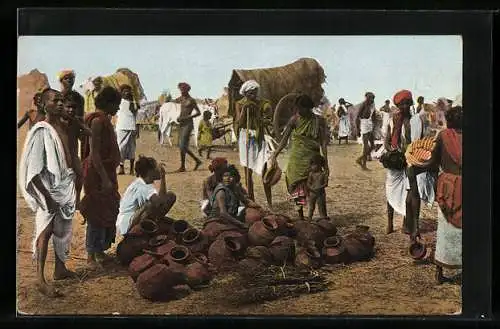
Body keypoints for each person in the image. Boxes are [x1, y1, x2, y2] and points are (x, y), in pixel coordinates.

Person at [18, 88, 78, 297]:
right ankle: (40, 279)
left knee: (64, 228)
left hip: (65, 185)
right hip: (49, 189)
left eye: (62, 100)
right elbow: (33, 172)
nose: (61, 104)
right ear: (44, 105)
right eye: (56, 101)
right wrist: (47, 197)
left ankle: (60, 269)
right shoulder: (41, 130)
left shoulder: (62, 126)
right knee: (45, 229)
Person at [79, 87, 122, 267]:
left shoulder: (105, 120)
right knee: (96, 212)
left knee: (107, 209)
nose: (118, 108)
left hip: (105, 171)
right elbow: (95, 153)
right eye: (116, 104)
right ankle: (91, 255)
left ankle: (99, 251)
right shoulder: (97, 121)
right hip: (97, 173)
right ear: (108, 103)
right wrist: (104, 179)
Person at [269, 94, 330, 220]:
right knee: (297, 188)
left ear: (309, 108)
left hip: (313, 160)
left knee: (317, 187)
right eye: (298, 108)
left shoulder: (319, 121)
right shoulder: (294, 120)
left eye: (302, 108)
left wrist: (326, 163)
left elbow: (323, 143)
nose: (299, 111)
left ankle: (321, 216)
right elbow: (284, 140)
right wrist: (275, 154)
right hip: (296, 160)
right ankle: (301, 216)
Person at [425, 106, 462, 284]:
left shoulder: (443, 136)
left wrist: (418, 166)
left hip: (448, 188)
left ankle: (439, 272)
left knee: (445, 231)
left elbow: (432, 163)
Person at [235, 80, 274, 206]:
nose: (253, 96)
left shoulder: (262, 103)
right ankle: (251, 201)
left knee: (264, 169)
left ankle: (269, 202)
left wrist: (258, 112)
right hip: (245, 137)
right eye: (250, 94)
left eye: (255, 93)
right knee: (248, 171)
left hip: (259, 137)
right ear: (245, 93)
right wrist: (245, 109)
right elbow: (239, 123)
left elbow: (268, 120)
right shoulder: (240, 104)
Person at [116, 156, 176, 235]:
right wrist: (162, 177)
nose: (158, 170)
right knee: (151, 204)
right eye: (156, 168)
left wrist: (163, 177)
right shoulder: (143, 187)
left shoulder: (144, 183)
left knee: (168, 197)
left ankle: (153, 223)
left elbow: (162, 199)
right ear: (150, 172)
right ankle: (139, 232)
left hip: (128, 220)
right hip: (126, 223)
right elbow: (159, 202)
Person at [63, 94, 92, 210]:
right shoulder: (58, 121)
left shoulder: (76, 121)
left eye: (73, 108)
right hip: (60, 156)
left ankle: (77, 201)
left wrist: (81, 124)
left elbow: (88, 134)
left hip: (73, 155)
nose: (71, 110)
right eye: (68, 107)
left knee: (79, 177)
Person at [173, 82, 203, 172]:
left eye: (182, 90)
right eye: (180, 90)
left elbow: (198, 112)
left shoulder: (191, 100)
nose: (181, 91)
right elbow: (175, 103)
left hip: (188, 124)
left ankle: (185, 165)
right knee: (181, 146)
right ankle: (194, 162)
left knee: (182, 146)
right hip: (181, 123)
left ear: (187, 90)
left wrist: (187, 117)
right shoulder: (181, 99)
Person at [116, 84, 140, 175]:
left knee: (132, 148)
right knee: (121, 148)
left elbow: (137, 115)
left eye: (128, 91)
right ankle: (121, 167)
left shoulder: (134, 103)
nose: (127, 93)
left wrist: (137, 128)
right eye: (124, 91)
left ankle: (131, 169)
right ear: (121, 93)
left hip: (132, 127)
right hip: (121, 126)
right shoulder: (118, 102)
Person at [355, 92, 376, 169]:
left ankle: (360, 159)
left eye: (373, 98)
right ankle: (364, 165)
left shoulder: (373, 105)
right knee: (366, 146)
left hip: (370, 124)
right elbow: (357, 117)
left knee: (373, 146)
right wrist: (358, 129)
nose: (372, 99)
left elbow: (373, 115)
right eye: (370, 98)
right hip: (364, 124)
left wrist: (374, 126)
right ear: (366, 98)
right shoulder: (363, 105)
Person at [306, 154, 328, 220]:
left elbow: (325, 184)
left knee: (321, 206)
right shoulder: (311, 174)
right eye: (311, 165)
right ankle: (309, 219)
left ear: (319, 165)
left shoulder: (323, 174)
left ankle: (323, 218)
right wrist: (311, 188)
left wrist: (319, 188)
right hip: (312, 193)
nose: (312, 167)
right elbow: (308, 183)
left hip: (321, 194)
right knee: (311, 207)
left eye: (313, 165)